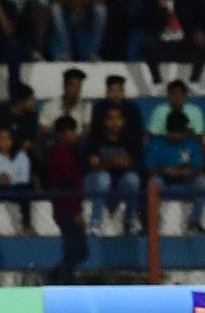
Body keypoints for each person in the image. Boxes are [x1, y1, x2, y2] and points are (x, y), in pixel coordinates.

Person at [146, 111, 205, 235]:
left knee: (203, 182)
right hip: (165, 184)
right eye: (173, 131)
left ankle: (194, 223)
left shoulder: (192, 144)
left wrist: (189, 171)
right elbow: (149, 168)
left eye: (179, 131)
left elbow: (199, 167)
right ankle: (154, 223)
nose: (176, 135)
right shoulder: (156, 144)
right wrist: (164, 171)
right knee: (154, 182)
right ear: (167, 129)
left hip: (187, 184)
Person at [83, 104, 142, 235]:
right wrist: (114, 162)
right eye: (110, 118)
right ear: (104, 121)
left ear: (124, 121)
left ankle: (130, 220)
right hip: (94, 180)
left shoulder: (130, 138)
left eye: (118, 118)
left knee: (133, 180)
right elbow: (94, 165)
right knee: (103, 177)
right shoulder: (94, 137)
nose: (114, 122)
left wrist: (109, 163)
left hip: (119, 180)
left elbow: (131, 163)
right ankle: (95, 222)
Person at [44, 116, 87, 283]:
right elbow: (69, 183)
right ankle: (61, 279)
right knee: (76, 249)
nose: (73, 135)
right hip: (67, 209)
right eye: (70, 132)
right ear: (61, 134)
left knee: (76, 250)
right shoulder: (60, 154)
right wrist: (77, 211)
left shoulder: (67, 153)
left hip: (65, 208)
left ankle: (57, 277)